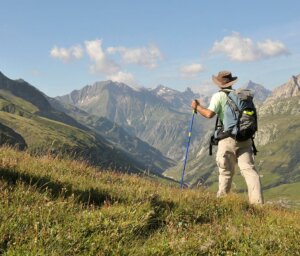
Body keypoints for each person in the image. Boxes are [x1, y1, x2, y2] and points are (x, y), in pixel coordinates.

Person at [191, 70, 263, 204]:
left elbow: (208, 114)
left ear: (219, 84)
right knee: (249, 171)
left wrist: (197, 106)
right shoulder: (240, 96)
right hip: (246, 138)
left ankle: (222, 203)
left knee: (226, 172)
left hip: (228, 139)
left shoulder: (219, 96)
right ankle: (258, 204)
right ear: (231, 83)